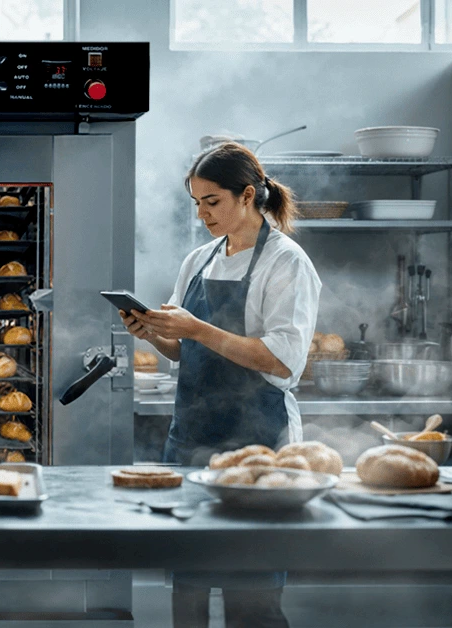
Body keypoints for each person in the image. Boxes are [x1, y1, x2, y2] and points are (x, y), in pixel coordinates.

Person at [120, 142, 321, 627]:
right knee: (188, 590)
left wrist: (195, 328)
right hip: (191, 439)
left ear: (247, 195)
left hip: (258, 446)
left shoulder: (287, 263)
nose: (202, 214)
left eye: (212, 202)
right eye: (196, 203)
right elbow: (182, 348)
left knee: (251, 597)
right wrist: (152, 332)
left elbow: (280, 360)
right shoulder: (199, 260)